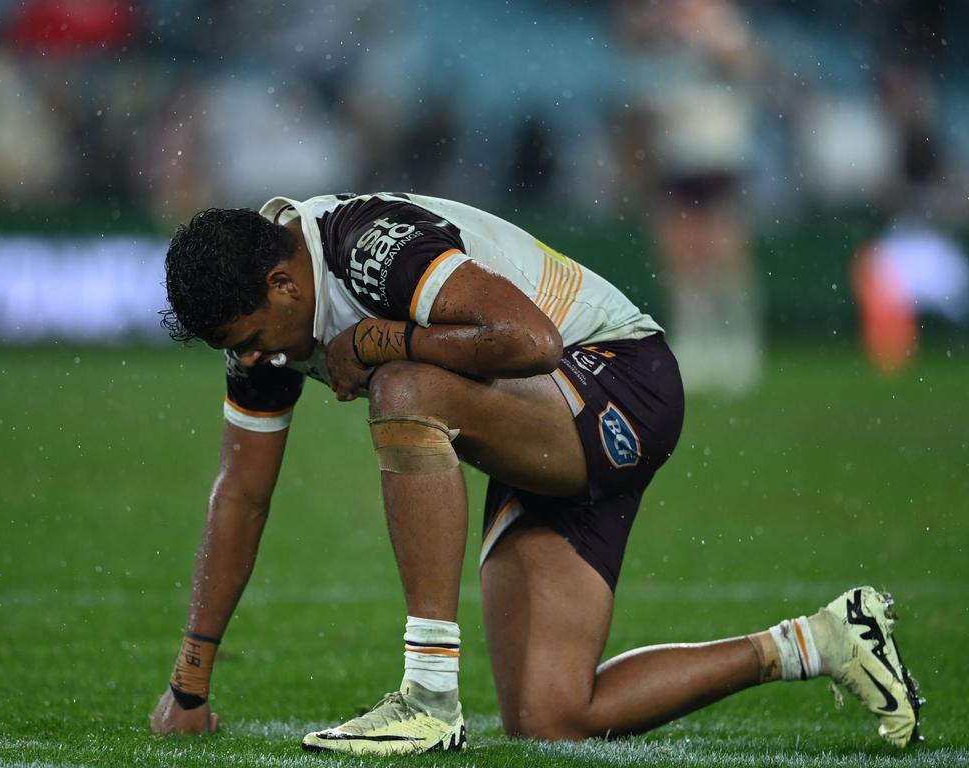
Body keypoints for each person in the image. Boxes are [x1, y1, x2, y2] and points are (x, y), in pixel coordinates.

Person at [149, 192, 922, 753]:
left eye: (250, 339)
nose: (251, 360)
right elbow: (242, 494)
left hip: (622, 381)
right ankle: (822, 641)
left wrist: (384, 339)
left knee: (404, 386)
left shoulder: (369, 247)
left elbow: (532, 339)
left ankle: (428, 697)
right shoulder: (272, 318)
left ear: (285, 285)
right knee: (551, 717)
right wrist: (190, 682)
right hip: (542, 418)